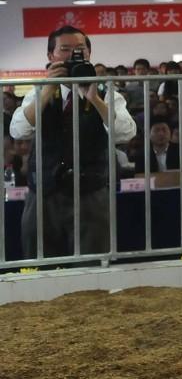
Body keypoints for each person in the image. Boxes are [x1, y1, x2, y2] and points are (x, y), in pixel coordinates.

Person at [9, 25, 137, 259]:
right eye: (65, 49)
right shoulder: (38, 92)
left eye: (80, 49)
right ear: (51, 56)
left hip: (91, 194)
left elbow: (125, 133)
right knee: (41, 266)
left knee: (93, 268)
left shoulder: (106, 93)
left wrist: (95, 99)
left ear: (89, 53)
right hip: (44, 195)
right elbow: (19, 130)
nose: (73, 55)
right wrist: (48, 89)